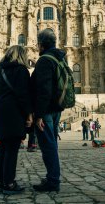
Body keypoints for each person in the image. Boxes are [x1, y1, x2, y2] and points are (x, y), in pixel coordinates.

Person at [0, 45, 33, 194]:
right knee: (12, 149)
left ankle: (3, 181)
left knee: (4, 148)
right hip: (13, 113)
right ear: (21, 56)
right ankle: (9, 183)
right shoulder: (21, 71)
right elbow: (24, 95)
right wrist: (28, 114)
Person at [31, 29, 66, 192]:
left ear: (41, 44)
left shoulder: (44, 60)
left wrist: (38, 115)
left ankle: (52, 181)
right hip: (56, 108)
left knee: (47, 146)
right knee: (52, 144)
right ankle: (53, 177)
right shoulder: (60, 58)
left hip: (45, 110)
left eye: (38, 44)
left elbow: (43, 90)